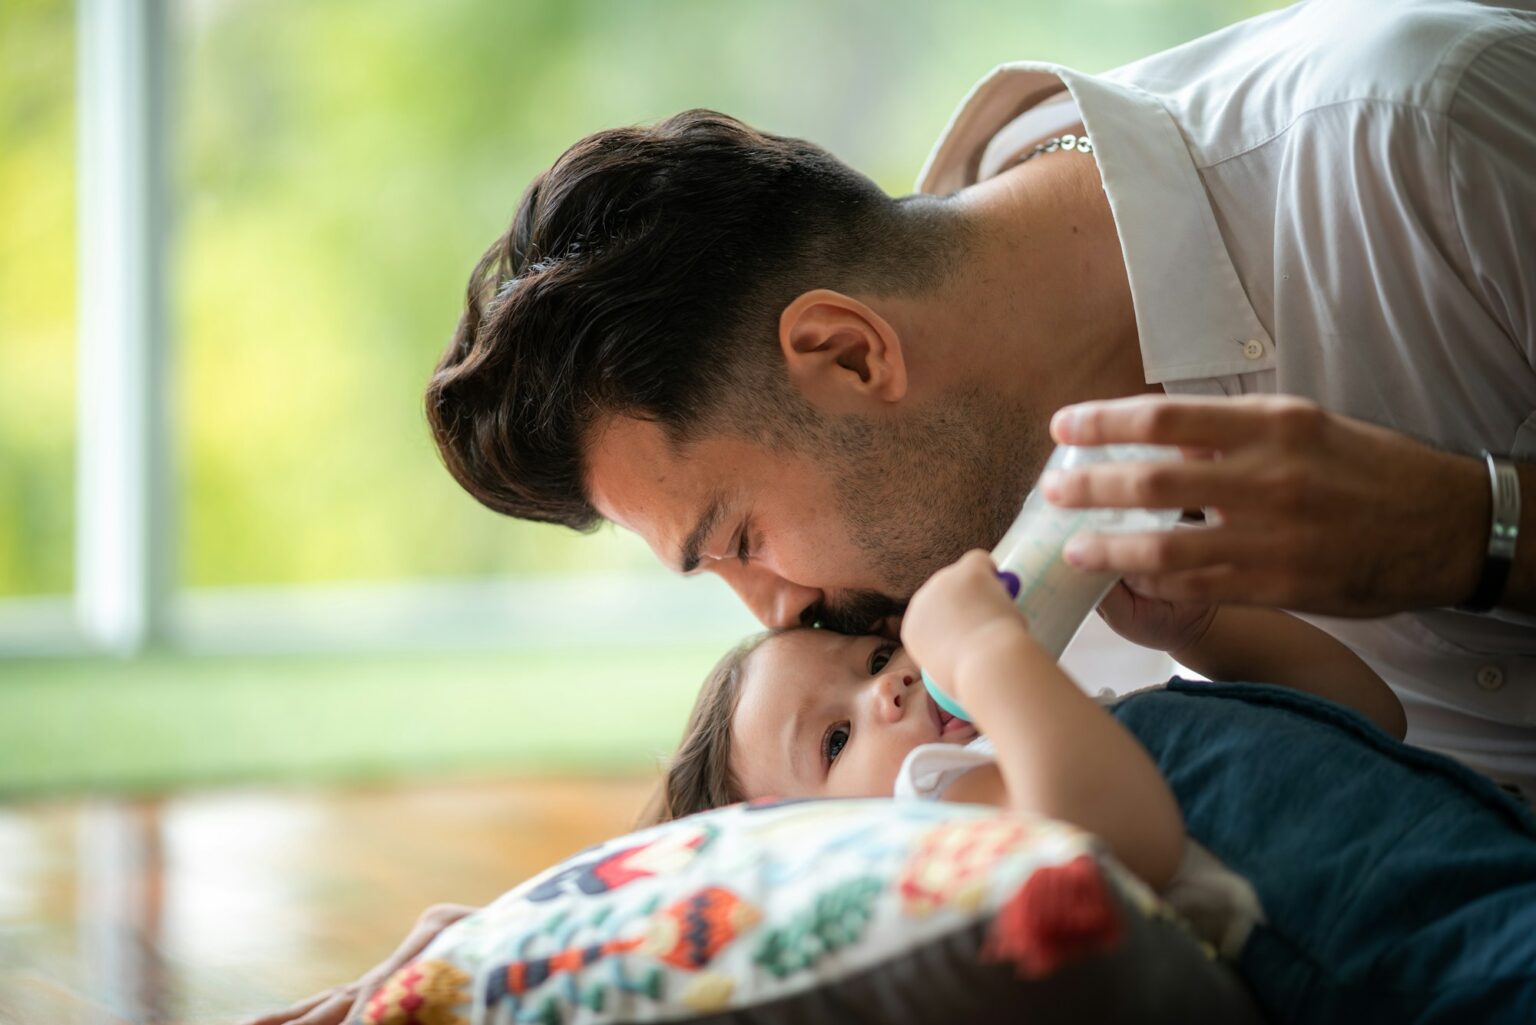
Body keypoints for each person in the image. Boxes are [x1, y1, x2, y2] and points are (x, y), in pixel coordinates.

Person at [426, 0, 1536, 799]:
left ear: (851, 355)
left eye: (744, 537)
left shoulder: (1418, 139)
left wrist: (1473, 527)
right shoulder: (967, 588)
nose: (776, 614)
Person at [651, 552, 1536, 1024]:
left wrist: (1204, 629)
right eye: (836, 738)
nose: (889, 686)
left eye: (878, 658)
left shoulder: (1065, 734)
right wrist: (992, 652)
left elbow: (1363, 717)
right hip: (1424, 970)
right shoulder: (937, 810)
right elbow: (1126, 844)